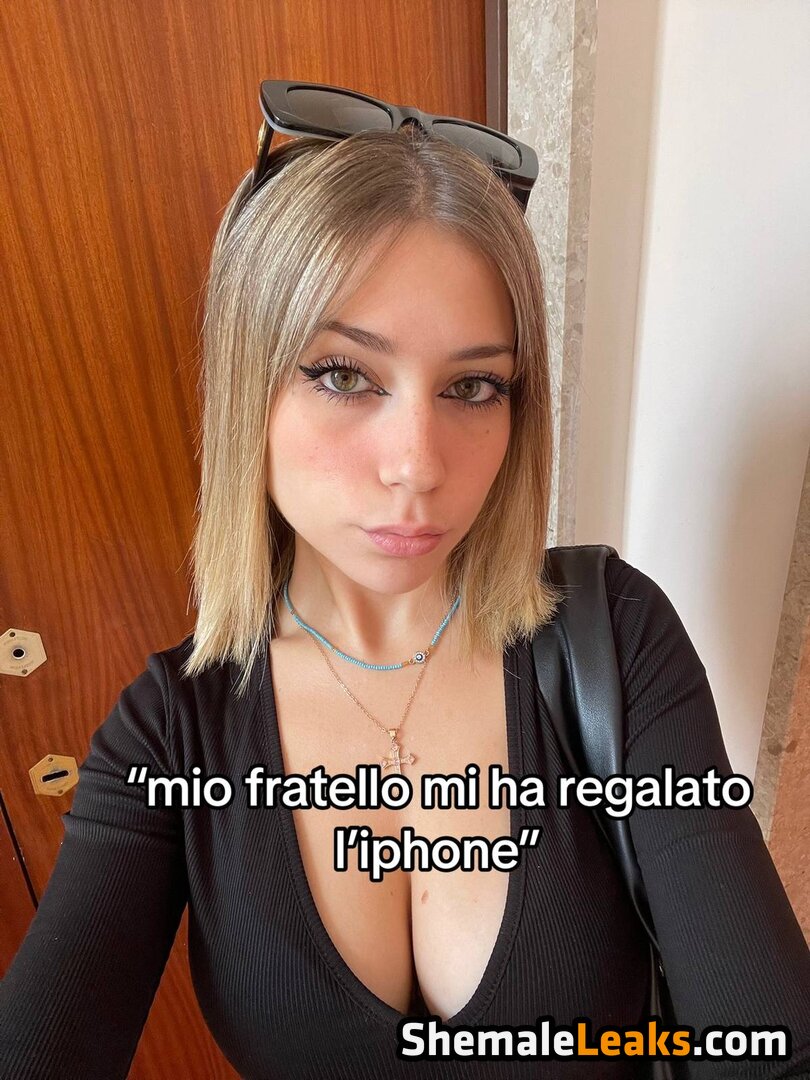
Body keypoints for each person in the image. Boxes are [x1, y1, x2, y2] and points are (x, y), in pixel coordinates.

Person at [1, 82, 809, 1080]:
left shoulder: (615, 639)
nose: (418, 465)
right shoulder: (170, 733)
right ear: (250, 386)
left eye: (474, 386)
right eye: (344, 374)